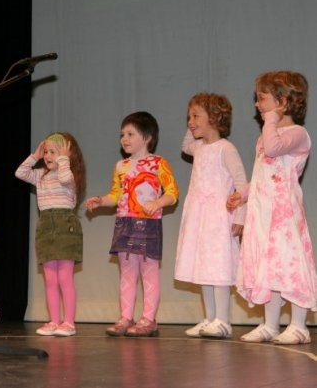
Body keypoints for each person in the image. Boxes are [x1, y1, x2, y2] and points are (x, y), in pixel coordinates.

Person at [227, 71, 317, 345]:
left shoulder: (297, 133)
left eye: (262, 98)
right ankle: (270, 324)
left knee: (289, 264)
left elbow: (275, 149)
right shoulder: (266, 136)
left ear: (284, 101)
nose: (257, 104)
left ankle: (299, 325)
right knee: (267, 266)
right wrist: (243, 193)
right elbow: (263, 172)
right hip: (262, 214)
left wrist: (271, 120)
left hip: (283, 214)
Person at [85, 111, 178, 337]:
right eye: (122, 135)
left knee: (149, 273)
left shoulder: (158, 163)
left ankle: (148, 319)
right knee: (127, 273)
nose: (124, 139)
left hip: (148, 224)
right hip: (125, 223)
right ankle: (125, 317)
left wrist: (157, 202)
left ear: (147, 137)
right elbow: (116, 196)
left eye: (130, 134)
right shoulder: (121, 166)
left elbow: (173, 193)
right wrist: (100, 201)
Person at [174, 93, 247, 339]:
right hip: (198, 216)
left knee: (218, 267)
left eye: (196, 116)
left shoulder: (226, 149)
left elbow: (241, 184)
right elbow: (185, 145)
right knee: (202, 267)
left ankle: (223, 321)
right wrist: (193, 125)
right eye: (188, 117)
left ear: (214, 118)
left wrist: (241, 216)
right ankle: (209, 318)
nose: (190, 122)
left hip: (218, 216)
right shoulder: (198, 147)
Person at [15, 132, 86, 337]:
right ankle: (54, 320)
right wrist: (34, 156)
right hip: (46, 227)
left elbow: (64, 177)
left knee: (65, 277)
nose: (48, 155)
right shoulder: (40, 175)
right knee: (50, 279)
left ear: (67, 155)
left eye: (53, 151)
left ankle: (69, 322)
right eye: (46, 151)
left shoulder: (70, 175)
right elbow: (20, 172)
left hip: (65, 228)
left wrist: (64, 159)